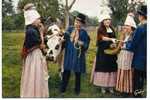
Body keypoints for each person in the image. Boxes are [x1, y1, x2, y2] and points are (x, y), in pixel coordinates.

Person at [20, 3, 49, 97]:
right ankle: (33, 93)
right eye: (38, 19)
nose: (39, 21)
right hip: (34, 57)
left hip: (34, 56)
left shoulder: (31, 29)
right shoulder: (32, 31)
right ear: (32, 20)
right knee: (34, 74)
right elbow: (41, 44)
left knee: (34, 75)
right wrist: (41, 33)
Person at [60, 13, 90, 95]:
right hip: (69, 53)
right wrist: (62, 39)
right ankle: (63, 88)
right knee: (66, 71)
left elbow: (86, 45)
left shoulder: (83, 33)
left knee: (77, 72)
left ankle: (77, 90)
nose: (77, 23)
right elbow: (65, 38)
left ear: (82, 24)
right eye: (76, 21)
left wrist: (82, 43)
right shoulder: (70, 29)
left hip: (78, 55)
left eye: (79, 22)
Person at [92, 13, 117, 94]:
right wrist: (110, 42)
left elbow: (115, 39)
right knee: (104, 68)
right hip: (103, 52)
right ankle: (103, 86)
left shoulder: (112, 29)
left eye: (109, 19)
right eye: (106, 19)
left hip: (111, 53)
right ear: (102, 21)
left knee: (111, 68)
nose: (108, 21)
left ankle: (110, 86)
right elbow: (101, 39)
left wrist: (114, 44)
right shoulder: (100, 29)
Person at [126, 5, 147, 97]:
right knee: (142, 81)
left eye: (139, 15)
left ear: (141, 16)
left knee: (137, 82)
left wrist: (127, 44)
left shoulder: (141, 28)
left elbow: (133, 45)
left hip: (139, 60)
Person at [116, 13, 137, 95]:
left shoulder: (133, 35)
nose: (125, 28)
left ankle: (127, 89)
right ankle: (121, 88)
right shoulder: (124, 35)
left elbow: (130, 46)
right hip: (123, 55)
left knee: (127, 72)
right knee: (121, 71)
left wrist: (123, 46)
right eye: (125, 26)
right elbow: (121, 44)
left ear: (131, 27)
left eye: (127, 26)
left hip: (129, 56)